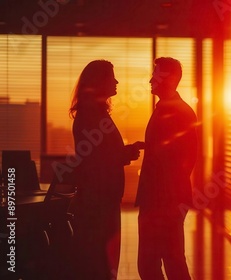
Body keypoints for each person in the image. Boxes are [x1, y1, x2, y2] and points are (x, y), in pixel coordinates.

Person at [70, 60, 143, 280]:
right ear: (100, 81)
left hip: (102, 198)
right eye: (112, 77)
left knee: (102, 260)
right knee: (102, 262)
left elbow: (101, 154)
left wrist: (125, 152)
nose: (117, 81)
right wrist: (125, 153)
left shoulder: (94, 114)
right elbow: (97, 161)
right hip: (99, 200)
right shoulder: (93, 116)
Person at [135, 57, 198, 280]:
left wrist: (169, 203)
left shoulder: (179, 112)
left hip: (164, 201)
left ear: (170, 78)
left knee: (160, 263)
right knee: (165, 262)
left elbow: (185, 159)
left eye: (157, 74)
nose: (151, 79)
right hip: (160, 200)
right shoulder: (168, 109)